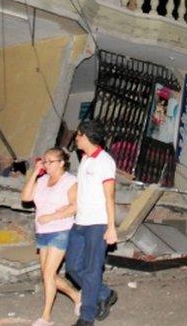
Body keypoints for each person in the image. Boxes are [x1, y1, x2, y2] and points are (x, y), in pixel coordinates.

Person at [21, 147, 81, 326]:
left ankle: (46, 317)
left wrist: (53, 217)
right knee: (48, 275)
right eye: (44, 161)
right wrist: (34, 173)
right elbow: (25, 197)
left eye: (50, 161)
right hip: (42, 231)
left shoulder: (70, 181)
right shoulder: (43, 180)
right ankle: (76, 295)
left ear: (62, 163)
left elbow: (75, 206)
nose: (46, 164)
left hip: (60, 230)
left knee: (48, 274)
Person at [67, 119, 118, 325]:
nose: (75, 138)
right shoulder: (85, 158)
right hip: (80, 222)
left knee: (91, 270)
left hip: (98, 224)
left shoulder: (104, 161)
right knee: (72, 268)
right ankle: (105, 293)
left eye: (78, 135)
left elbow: (110, 196)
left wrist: (111, 227)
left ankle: (87, 317)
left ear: (85, 136)